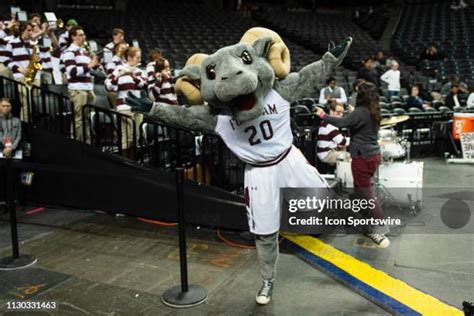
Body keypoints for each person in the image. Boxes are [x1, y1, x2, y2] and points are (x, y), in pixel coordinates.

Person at [315, 81, 389, 248]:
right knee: (361, 190)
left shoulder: (360, 112)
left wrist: (322, 115)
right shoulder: (374, 110)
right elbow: (360, 121)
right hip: (373, 155)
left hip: (362, 157)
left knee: (366, 193)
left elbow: (342, 123)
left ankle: (380, 225)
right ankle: (365, 224)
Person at [106, 47, 146, 154]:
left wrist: (133, 77)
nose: (139, 59)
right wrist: (118, 76)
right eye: (138, 57)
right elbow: (109, 86)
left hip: (138, 107)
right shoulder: (119, 69)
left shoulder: (140, 71)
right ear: (130, 57)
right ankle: (125, 160)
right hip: (124, 107)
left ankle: (133, 161)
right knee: (127, 136)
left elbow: (144, 85)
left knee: (136, 136)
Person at [63, 26, 99, 141]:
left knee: (86, 118)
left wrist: (95, 64)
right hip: (77, 88)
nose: (83, 37)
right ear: (73, 37)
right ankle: (79, 142)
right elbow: (71, 71)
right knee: (79, 118)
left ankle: (86, 141)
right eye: (80, 35)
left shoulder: (84, 53)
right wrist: (89, 65)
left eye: (83, 35)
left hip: (88, 88)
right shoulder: (69, 51)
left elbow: (88, 70)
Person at [6, 21, 42, 122]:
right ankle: (25, 125)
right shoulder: (12, 43)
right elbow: (6, 60)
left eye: (32, 30)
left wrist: (38, 60)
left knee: (32, 103)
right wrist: (19, 69)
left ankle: (30, 124)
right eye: (29, 30)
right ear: (22, 31)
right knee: (27, 102)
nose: (31, 33)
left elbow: (39, 63)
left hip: (33, 76)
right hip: (20, 76)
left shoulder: (33, 45)